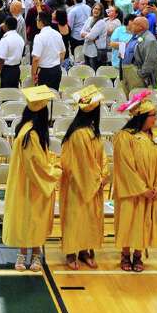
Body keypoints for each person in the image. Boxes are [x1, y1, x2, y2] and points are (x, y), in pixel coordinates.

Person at [2, 85, 59, 273]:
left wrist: (49, 158)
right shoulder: (31, 134)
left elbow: (39, 157)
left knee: (33, 219)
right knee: (30, 218)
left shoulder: (28, 128)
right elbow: (36, 165)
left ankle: (35, 254)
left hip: (28, 182)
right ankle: (25, 252)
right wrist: (55, 171)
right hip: (32, 183)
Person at [113, 91, 157, 272]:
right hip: (132, 189)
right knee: (129, 221)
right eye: (153, 115)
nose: (156, 118)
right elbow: (124, 166)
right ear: (143, 117)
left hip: (152, 188)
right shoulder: (125, 136)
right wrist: (141, 188)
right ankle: (125, 254)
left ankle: (138, 254)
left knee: (145, 222)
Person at [60, 85, 106, 271]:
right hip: (78, 185)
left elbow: (101, 158)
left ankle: (85, 251)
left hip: (93, 182)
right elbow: (81, 165)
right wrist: (97, 177)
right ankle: (71, 252)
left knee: (90, 218)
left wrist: (103, 174)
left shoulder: (91, 130)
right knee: (76, 218)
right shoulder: (79, 134)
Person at [121, 17, 157, 95]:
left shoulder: (150, 39)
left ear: (141, 27)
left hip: (136, 74)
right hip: (127, 72)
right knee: (127, 99)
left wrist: (141, 74)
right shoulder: (136, 36)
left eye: (134, 23)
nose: (131, 25)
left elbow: (150, 60)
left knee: (136, 101)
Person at [31, 11, 65, 90]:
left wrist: (33, 74)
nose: (36, 21)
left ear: (40, 22)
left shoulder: (39, 37)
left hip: (45, 72)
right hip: (57, 70)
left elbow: (36, 59)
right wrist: (57, 63)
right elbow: (63, 52)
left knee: (44, 99)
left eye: (37, 20)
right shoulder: (57, 34)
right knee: (54, 97)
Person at [0, 16, 25, 89]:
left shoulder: (5, 40)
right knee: (14, 93)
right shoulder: (20, 38)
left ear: (6, 25)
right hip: (17, 70)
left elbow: (1, 60)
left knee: (5, 94)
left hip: (7, 71)